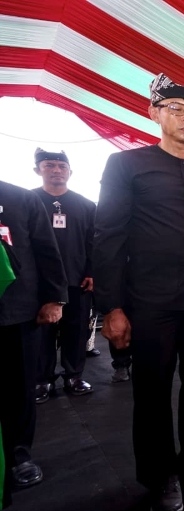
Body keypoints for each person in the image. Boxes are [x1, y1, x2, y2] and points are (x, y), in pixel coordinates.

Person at [93, 74, 184, 511]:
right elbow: (109, 236)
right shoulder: (127, 166)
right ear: (155, 113)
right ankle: (160, 476)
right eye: (177, 108)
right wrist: (111, 307)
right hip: (150, 302)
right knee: (152, 392)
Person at [0, 179, 67, 495]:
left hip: (16, 313)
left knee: (18, 387)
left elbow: (46, 251)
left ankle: (19, 455)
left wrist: (55, 299)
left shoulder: (20, 198)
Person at [31, 148, 95, 403]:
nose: (56, 170)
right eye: (49, 165)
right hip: (39, 282)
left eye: (62, 166)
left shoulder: (86, 205)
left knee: (76, 330)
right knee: (41, 332)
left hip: (77, 279)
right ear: (37, 170)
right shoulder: (28, 201)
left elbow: (94, 242)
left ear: (70, 172)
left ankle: (74, 376)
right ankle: (42, 380)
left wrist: (92, 272)